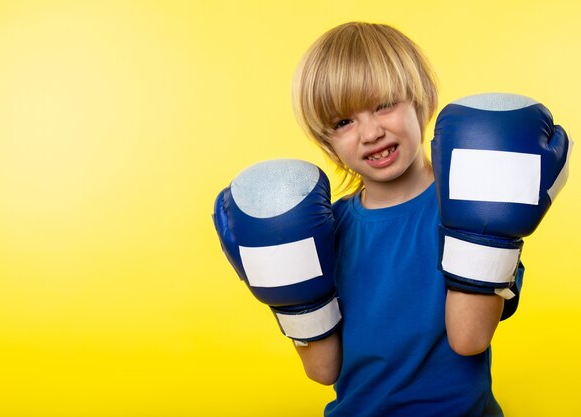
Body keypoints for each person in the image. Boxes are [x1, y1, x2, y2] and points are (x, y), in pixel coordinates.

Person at [213, 21, 569, 417]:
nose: (370, 133)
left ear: (421, 98)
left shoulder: (475, 200)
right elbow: (323, 369)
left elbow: (469, 339)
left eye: (384, 104)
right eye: (343, 122)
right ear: (326, 141)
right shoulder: (325, 231)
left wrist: (484, 234)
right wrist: (293, 296)